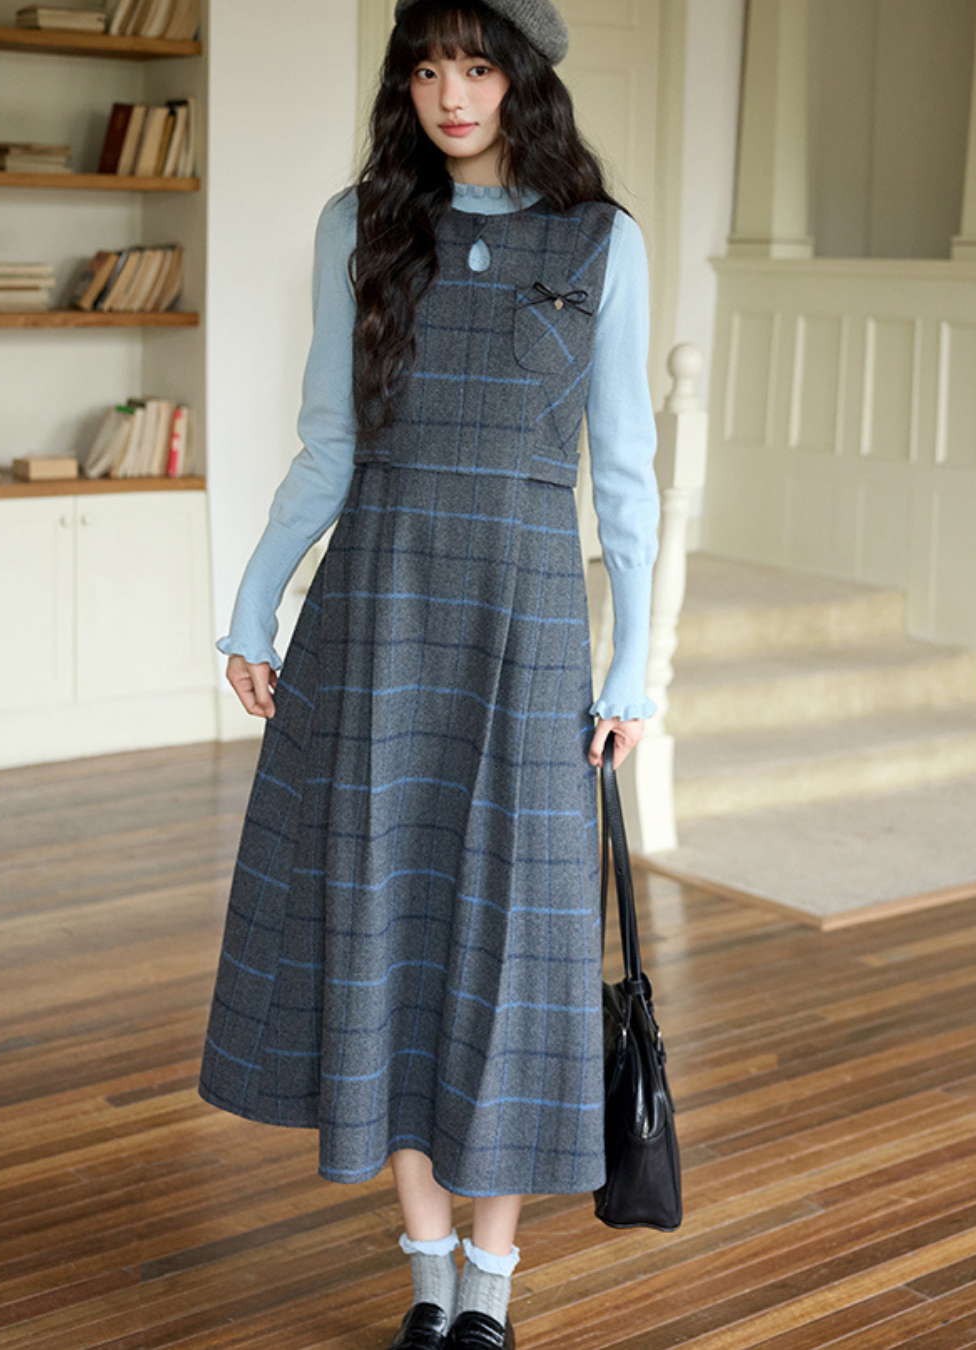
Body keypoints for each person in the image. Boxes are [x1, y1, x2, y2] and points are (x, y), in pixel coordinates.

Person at [197, 1, 659, 1346]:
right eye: (426, 67)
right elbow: (327, 446)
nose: (451, 94)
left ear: (524, 81)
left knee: (519, 937)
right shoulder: (360, 227)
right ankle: (425, 1278)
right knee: (382, 920)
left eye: (477, 67)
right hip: (377, 616)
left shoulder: (602, 241)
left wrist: (635, 664)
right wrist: (251, 607)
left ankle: (489, 1295)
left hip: (527, 629)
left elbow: (625, 477)